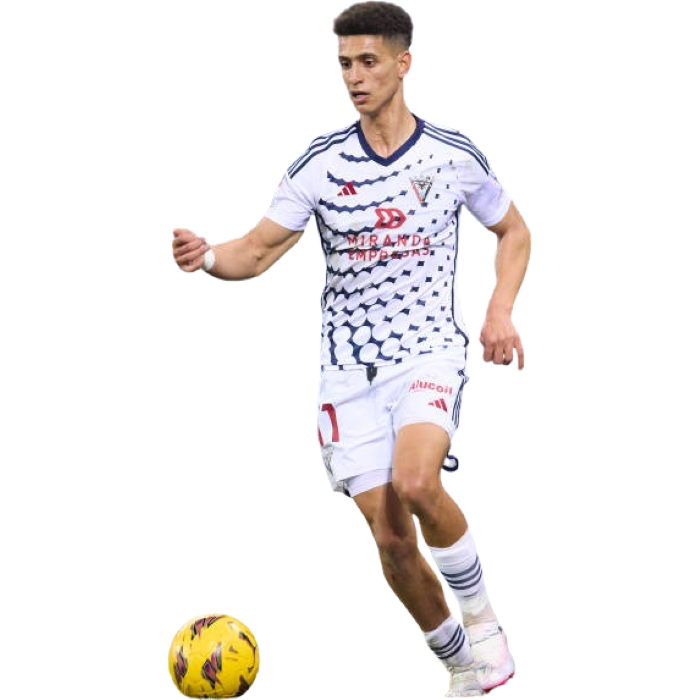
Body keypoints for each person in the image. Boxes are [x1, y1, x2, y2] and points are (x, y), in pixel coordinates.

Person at [172, 2, 531, 697]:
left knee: (418, 481)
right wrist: (208, 257)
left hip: (427, 352)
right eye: (344, 64)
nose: (355, 77)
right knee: (391, 538)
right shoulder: (321, 164)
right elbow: (257, 251)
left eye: (368, 61)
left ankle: (484, 623)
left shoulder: (451, 154)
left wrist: (499, 313)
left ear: (404, 63)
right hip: (346, 373)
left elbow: (514, 231)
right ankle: (462, 663)